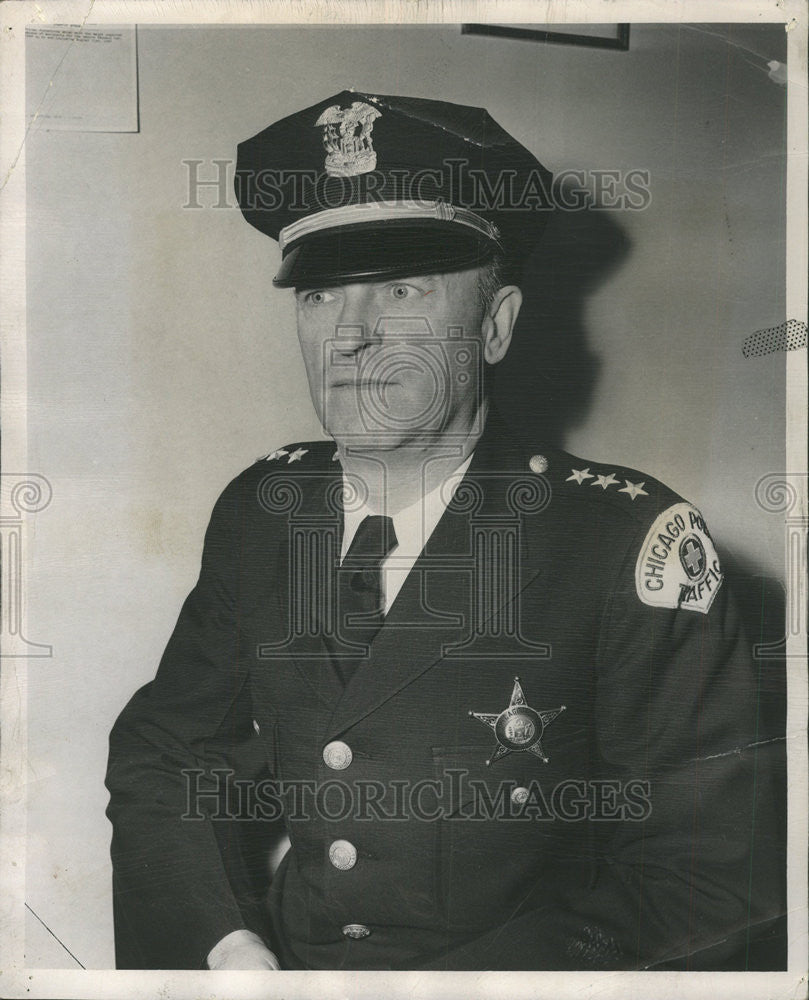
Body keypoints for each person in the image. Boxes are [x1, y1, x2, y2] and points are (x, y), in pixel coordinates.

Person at [105, 90, 783, 972]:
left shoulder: (625, 543)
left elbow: (701, 884)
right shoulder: (262, 512)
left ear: (493, 327)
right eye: (316, 295)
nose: (347, 337)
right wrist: (224, 946)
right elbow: (167, 754)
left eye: (400, 290)